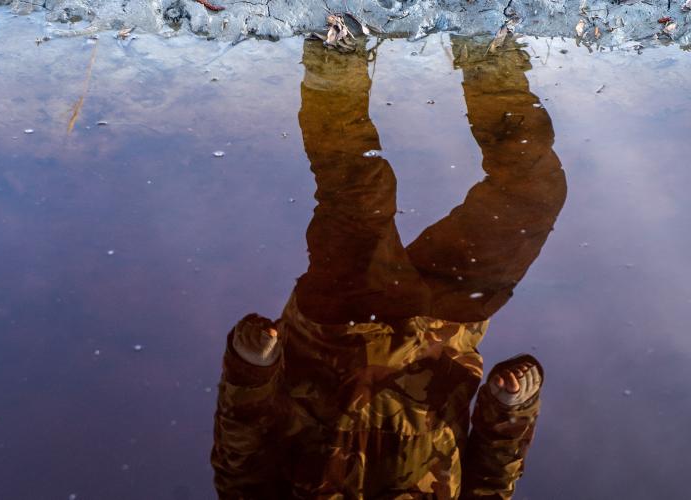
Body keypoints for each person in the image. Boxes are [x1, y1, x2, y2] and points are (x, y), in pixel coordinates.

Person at [211, 36, 567, 499]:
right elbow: (493, 480)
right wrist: (511, 407)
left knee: (359, 190)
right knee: (531, 196)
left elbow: (241, 465)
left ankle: (336, 47)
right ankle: (487, 54)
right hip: (446, 336)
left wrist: (251, 371)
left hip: (341, 333)